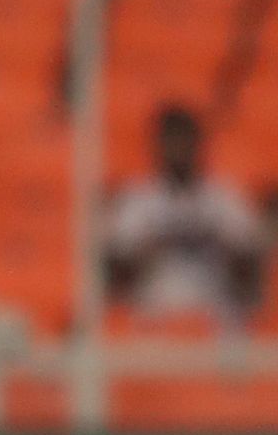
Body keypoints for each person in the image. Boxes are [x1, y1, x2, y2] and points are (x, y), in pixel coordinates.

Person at [106, 105, 263, 322]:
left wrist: (216, 242)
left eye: (184, 139)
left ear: (198, 143)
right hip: (152, 319)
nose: (178, 148)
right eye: (171, 140)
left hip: (216, 319)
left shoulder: (225, 198)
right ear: (158, 145)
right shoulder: (137, 199)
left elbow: (252, 268)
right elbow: (115, 274)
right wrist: (154, 245)